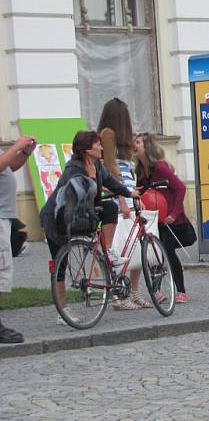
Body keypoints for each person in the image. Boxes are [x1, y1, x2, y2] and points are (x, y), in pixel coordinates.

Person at [40, 131, 138, 313]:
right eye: (97, 144)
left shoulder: (97, 165)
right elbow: (73, 199)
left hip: (81, 212)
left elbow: (110, 181)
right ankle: (63, 311)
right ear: (87, 149)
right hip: (58, 217)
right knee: (60, 265)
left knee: (109, 207)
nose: (101, 147)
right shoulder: (73, 170)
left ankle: (108, 251)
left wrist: (128, 192)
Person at [97, 97, 149, 309]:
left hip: (127, 192)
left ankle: (133, 291)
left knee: (136, 245)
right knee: (119, 249)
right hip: (117, 195)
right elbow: (111, 170)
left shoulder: (122, 142)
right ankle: (119, 295)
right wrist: (122, 200)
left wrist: (133, 194)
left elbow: (125, 171)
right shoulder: (108, 135)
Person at [134, 133, 190, 303]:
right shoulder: (140, 170)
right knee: (152, 253)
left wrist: (174, 213)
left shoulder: (159, 167)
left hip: (168, 217)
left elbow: (180, 188)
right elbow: (141, 192)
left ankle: (181, 291)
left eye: (138, 142)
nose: (133, 145)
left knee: (168, 253)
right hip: (153, 217)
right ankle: (157, 291)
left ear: (147, 147)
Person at [0, 135, 36, 343]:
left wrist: (24, 153)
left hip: (5, 216)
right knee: (2, 272)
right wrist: (16, 146)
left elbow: (9, 167)